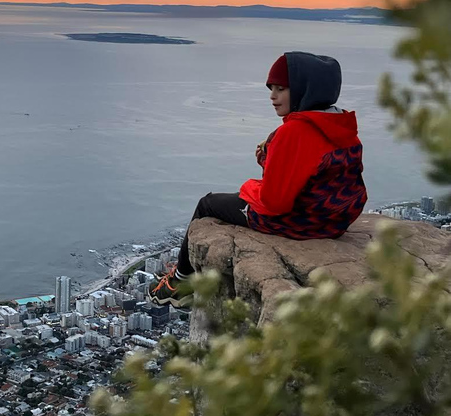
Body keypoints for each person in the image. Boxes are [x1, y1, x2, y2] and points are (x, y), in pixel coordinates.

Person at [149, 51, 368, 307]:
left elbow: (274, 203)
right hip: (335, 222)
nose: (272, 96)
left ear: (304, 89)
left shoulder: (295, 131)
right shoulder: (340, 123)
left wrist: (252, 184)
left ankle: (179, 282)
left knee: (207, 203)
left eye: (282, 88)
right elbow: (318, 173)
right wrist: (273, 156)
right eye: (271, 88)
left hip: (301, 223)